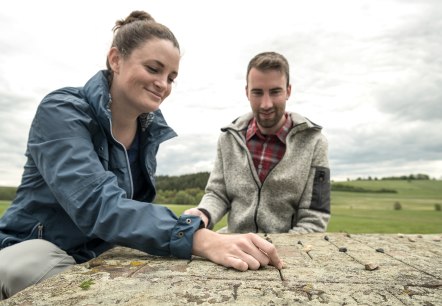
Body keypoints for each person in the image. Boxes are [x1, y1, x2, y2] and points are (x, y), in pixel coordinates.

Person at [0, 12, 283, 300]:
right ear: (115, 59)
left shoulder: (147, 131)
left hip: (99, 254)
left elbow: (131, 213)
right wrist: (196, 236)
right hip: (35, 248)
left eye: (171, 77)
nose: (163, 84)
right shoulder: (61, 111)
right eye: (153, 69)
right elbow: (97, 204)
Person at [185, 51, 330, 234]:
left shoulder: (315, 143)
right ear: (247, 92)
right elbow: (217, 193)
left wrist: (273, 250)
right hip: (235, 246)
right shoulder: (229, 138)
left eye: (275, 92)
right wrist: (203, 213)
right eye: (257, 93)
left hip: (286, 254)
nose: (266, 104)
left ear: (288, 91)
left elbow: (314, 219)